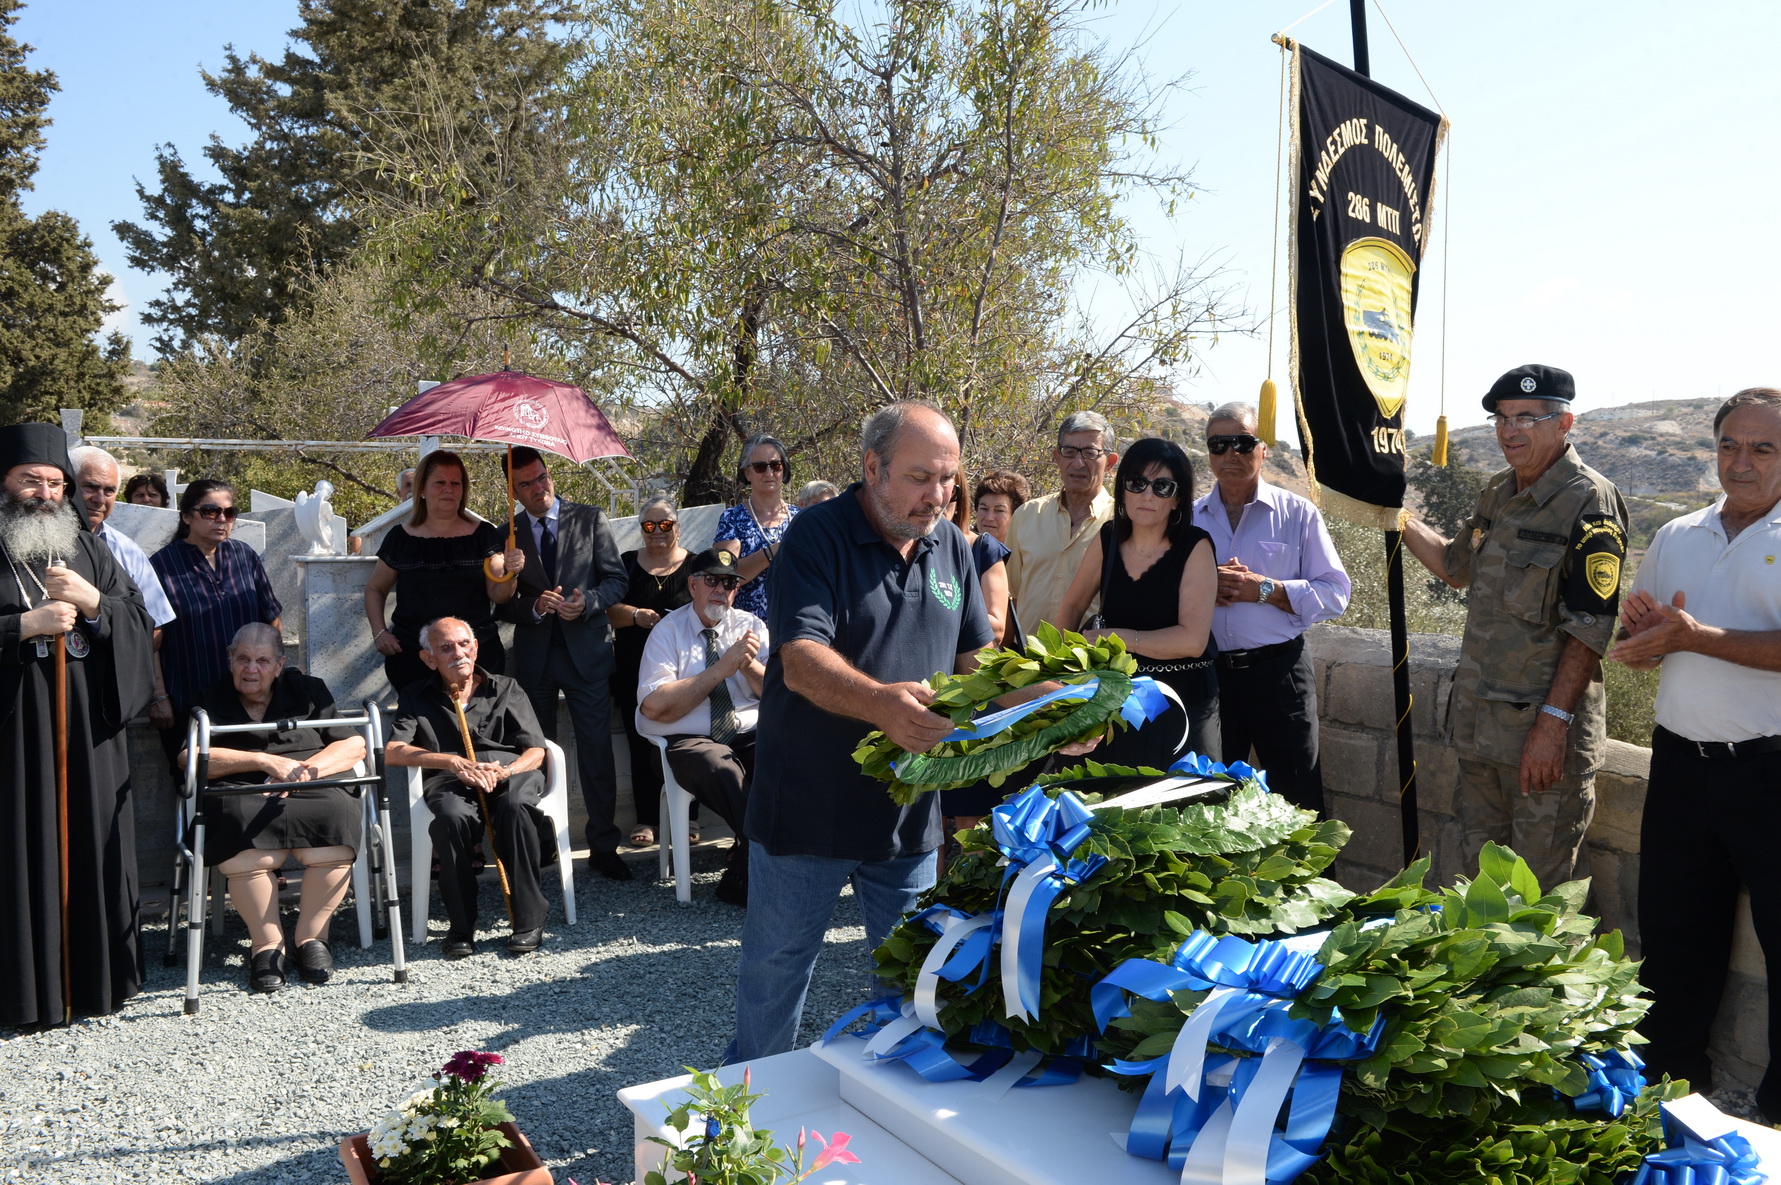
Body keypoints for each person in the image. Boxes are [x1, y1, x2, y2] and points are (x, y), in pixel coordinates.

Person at [727, 401, 995, 1062]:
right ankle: (739, 1131)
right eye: (919, 477)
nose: (937, 495)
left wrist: (1050, 713)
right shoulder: (815, 536)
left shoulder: (951, 546)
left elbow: (979, 668)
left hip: (906, 820)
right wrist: (882, 704)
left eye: (948, 480)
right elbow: (801, 659)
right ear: (872, 467)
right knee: (774, 986)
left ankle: (884, 1125)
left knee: (907, 987)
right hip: (805, 815)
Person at [1608, 387, 1781, 1120]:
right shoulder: (1677, 532)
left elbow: (1691, 635)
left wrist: (1689, 635)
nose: (1739, 463)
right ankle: (1670, 1089)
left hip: (1771, 771)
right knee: (1673, 937)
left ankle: (1774, 1113)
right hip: (1679, 765)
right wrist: (1647, 639)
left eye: (1762, 448)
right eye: (1728, 446)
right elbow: (1646, 644)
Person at [1403, 364, 1627, 888]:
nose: (1509, 431)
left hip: (1540, 742)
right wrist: (1395, 512)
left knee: (1543, 895)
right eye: (1500, 419)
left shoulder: (1589, 499)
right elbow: (1455, 567)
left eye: (1527, 417)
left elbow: (1590, 627)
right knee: (1481, 886)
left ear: (1564, 423)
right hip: (1481, 732)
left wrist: (1551, 727)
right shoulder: (1499, 491)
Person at [0, 422, 155, 1027]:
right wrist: (22, 628)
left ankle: (93, 982)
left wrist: (93, 603)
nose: (44, 494)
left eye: (55, 483)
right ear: (4, 482)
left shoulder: (87, 545)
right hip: (12, 732)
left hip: (85, 733)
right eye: (30, 481)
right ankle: (19, 990)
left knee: (89, 842)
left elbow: (136, 618)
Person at [180, 623, 367, 992]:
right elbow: (191, 757)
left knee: (336, 811)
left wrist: (306, 771)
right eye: (243, 659)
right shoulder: (210, 699)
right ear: (230, 660)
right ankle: (267, 945)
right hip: (243, 788)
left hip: (309, 782)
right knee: (236, 819)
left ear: (279, 665)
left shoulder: (310, 691)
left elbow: (353, 746)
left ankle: (311, 939)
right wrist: (265, 763)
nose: (252, 669)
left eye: (262, 660)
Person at [1189, 403, 1351, 813]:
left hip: (1279, 675)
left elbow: (1335, 593)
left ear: (1263, 450)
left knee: (1298, 795)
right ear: (1208, 453)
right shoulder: (1188, 522)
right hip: (1209, 678)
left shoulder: (1298, 514)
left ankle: (1307, 878)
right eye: (1219, 444)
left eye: (1242, 443)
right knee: (1210, 799)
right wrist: (1208, 586)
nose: (1231, 454)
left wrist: (1265, 589)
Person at [498, 446, 631, 878]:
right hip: (535, 660)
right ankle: (541, 845)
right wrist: (533, 605)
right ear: (512, 490)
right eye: (526, 484)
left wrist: (588, 602)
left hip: (588, 656)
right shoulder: (508, 533)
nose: (539, 489)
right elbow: (499, 605)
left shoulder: (589, 519)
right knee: (536, 755)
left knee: (596, 752)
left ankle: (604, 846)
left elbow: (616, 580)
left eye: (542, 478)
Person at [385, 617, 551, 958]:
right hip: (451, 778)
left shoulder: (506, 688)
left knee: (516, 807)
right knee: (451, 819)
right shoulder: (416, 695)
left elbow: (536, 750)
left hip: (510, 772)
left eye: (464, 644)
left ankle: (529, 919)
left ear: (475, 648)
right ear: (429, 658)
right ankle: (461, 926)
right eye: (445, 648)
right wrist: (453, 763)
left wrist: (505, 772)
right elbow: (393, 751)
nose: (458, 653)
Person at [1058, 437, 1219, 768]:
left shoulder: (1196, 546)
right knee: (1109, 804)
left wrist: (1117, 638)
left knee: (1178, 806)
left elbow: (1192, 640)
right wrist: (1058, 670)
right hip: (1116, 698)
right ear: (1123, 490)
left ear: (1177, 499)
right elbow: (1073, 606)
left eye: (1162, 486)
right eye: (1137, 483)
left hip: (1181, 701)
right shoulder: (1108, 538)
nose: (1147, 495)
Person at [636, 548, 766, 906]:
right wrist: (720, 669)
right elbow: (654, 705)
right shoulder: (668, 632)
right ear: (692, 585)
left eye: (729, 583)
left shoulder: (750, 626)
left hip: (750, 733)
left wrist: (748, 666)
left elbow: (778, 694)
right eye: (712, 581)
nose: (721, 590)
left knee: (796, 762)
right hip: (690, 738)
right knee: (719, 767)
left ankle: (744, 874)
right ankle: (764, 871)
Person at [365, 450, 523, 696]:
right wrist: (379, 632)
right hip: (414, 660)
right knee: (423, 729)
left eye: (455, 483)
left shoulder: (484, 534)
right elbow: (375, 588)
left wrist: (511, 573)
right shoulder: (400, 538)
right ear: (422, 490)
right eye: (440, 482)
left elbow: (499, 594)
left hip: (475, 660)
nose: (449, 489)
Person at [150, 479, 283, 763]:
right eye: (210, 511)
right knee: (196, 785)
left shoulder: (244, 556)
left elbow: (272, 619)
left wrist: (272, 674)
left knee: (252, 780)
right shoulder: (162, 565)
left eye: (229, 512)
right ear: (187, 516)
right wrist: (159, 696)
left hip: (248, 698)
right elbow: (152, 637)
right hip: (190, 697)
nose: (221, 519)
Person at [608, 496, 693, 849]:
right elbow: (607, 609)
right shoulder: (627, 564)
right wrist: (636, 615)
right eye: (649, 526)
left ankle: (689, 817)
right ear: (640, 530)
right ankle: (646, 818)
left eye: (665, 525)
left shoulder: (696, 565)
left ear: (677, 526)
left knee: (689, 742)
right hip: (635, 671)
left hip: (686, 670)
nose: (658, 532)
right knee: (640, 741)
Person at [1005, 411, 1119, 631]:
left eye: (1090, 452)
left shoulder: (1123, 524)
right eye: (1069, 452)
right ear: (1057, 457)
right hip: (1027, 661)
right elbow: (1011, 597)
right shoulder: (1027, 516)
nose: (1078, 463)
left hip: (1093, 662)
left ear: (1111, 462)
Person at [69, 447, 177, 633]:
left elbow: (154, 626)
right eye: (90, 487)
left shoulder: (127, 551)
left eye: (109, 491)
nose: (100, 499)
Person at [714, 433, 799, 621]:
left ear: (783, 470)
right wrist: (771, 552)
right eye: (760, 467)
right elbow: (725, 576)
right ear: (747, 473)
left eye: (776, 465)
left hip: (794, 624)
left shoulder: (800, 518)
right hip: (747, 630)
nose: (769, 474)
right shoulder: (732, 519)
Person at [972, 470, 1031, 545]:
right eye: (984, 508)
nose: (989, 518)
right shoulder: (963, 549)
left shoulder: (1027, 552)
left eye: (999, 510)